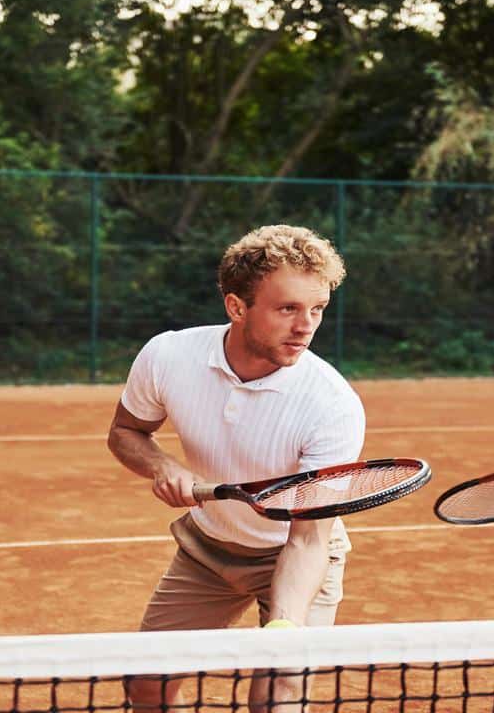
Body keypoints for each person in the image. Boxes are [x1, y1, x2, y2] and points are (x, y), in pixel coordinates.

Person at [107, 224, 365, 713]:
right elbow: (125, 432)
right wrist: (162, 464)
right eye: (287, 308)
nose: (306, 325)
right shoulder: (168, 356)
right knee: (146, 685)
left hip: (294, 556)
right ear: (236, 307)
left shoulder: (332, 405)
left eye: (317, 309)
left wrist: (285, 627)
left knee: (279, 694)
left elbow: (308, 538)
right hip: (208, 549)